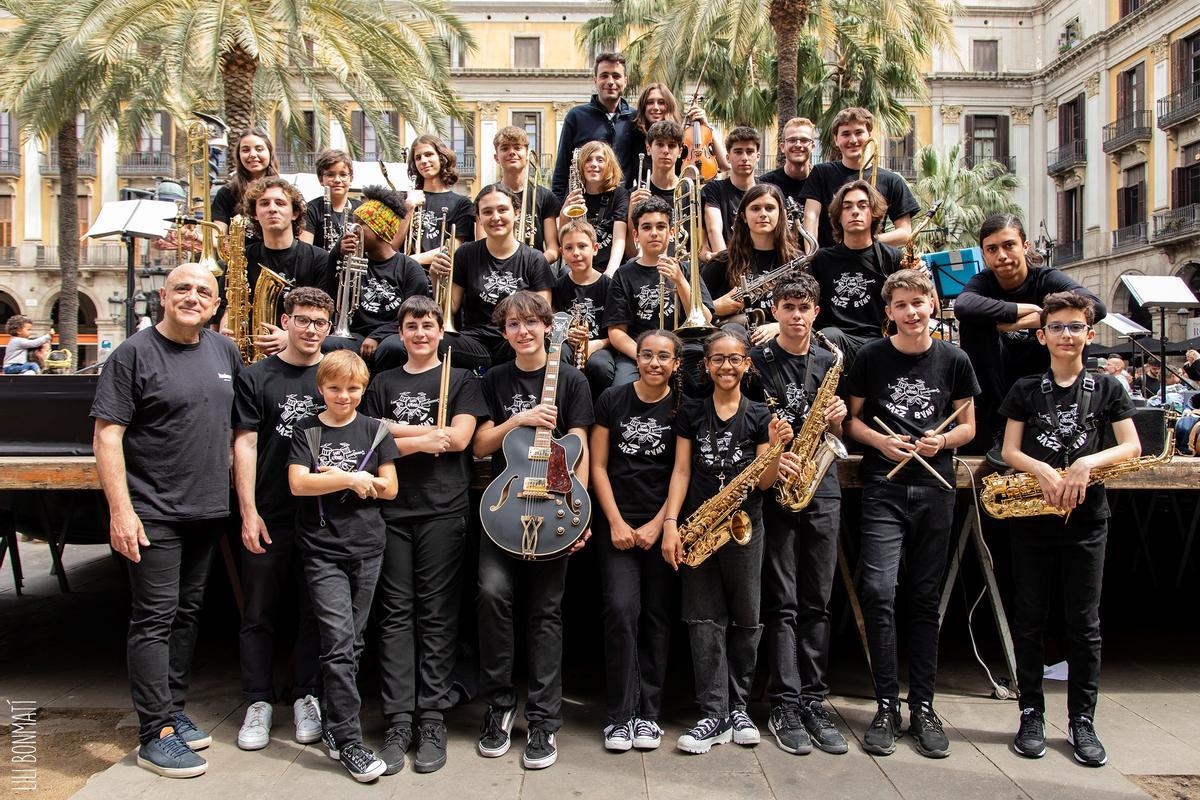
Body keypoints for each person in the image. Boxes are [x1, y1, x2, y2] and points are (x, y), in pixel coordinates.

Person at [91, 264, 243, 779]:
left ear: (216, 304)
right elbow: (107, 436)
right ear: (163, 295)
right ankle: (153, 732)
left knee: (186, 614)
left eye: (203, 291)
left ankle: (172, 709)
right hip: (153, 511)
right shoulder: (133, 354)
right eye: (182, 287)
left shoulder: (224, 350)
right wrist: (121, 510)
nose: (192, 296)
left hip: (205, 509)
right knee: (154, 619)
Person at [998, 292, 1140, 768]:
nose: (1065, 335)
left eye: (1074, 327)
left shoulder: (1108, 388)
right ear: (1041, 336)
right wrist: (1041, 469)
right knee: (1030, 618)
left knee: (1085, 623)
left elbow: (1132, 447)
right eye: (1056, 327)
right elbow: (1010, 450)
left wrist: (1085, 462)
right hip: (1032, 516)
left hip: (1086, 518)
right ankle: (1031, 713)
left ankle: (1083, 719)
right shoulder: (1024, 388)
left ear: (1090, 334)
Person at [843, 268, 979, 760]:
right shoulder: (872, 357)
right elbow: (852, 420)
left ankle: (922, 707)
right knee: (879, 593)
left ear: (931, 306)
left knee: (923, 600)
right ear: (889, 313)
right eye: (901, 305)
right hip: (884, 485)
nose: (912, 312)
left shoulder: (955, 359)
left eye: (919, 302)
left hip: (935, 486)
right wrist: (882, 440)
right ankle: (885, 705)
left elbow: (968, 426)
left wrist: (942, 439)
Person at [363, 296, 488, 776]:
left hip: (443, 510)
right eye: (411, 326)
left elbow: (457, 440)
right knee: (395, 615)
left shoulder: (459, 380)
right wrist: (422, 435)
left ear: (440, 331)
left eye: (427, 325)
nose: (419, 333)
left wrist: (395, 434)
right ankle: (398, 719)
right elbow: (368, 435)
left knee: (437, 615)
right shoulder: (382, 382)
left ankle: (432, 716)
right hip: (391, 510)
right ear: (401, 332)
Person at [472, 291, 594, 770]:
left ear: (549, 327)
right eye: (514, 324)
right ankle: (500, 706)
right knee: (490, 596)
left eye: (532, 323)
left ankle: (543, 721)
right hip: (503, 508)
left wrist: (576, 511)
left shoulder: (573, 380)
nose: (524, 331)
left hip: (554, 510)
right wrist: (519, 419)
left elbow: (580, 444)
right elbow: (480, 444)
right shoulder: (495, 379)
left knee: (546, 613)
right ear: (505, 333)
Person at [661, 329, 792, 754]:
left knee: (747, 617)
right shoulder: (691, 412)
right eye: (718, 359)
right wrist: (670, 524)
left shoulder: (758, 415)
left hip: (744, 527)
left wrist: (773, 449)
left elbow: (766, 482)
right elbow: (681, 471)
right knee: (702, 619)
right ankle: (712, 713)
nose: (726, 367)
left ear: (747, 364)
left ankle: (739, 707)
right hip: (700, 526)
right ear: (706, 365)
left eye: (735, 359)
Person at [747, 276, 850, 756]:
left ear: (816, 310)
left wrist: (838, 417)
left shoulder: (831, 360)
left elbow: (840, 422)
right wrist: (769, 450)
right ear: (774, 309)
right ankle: (785, 703)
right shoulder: (758, 362)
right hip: (778, 488)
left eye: (804, 307)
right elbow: (746, 423)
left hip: (822, 484)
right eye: (787, 306)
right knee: (783, 600)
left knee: (818, 601)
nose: (796, 316)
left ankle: (814, 698)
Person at [287, 350, 399, 783]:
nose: (344, 396)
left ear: (363, 389)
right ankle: (350, 741)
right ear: (321, 389)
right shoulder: (307, 430)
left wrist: (357, 479)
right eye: (334, 388)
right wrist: (351, 478)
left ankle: (335, 728)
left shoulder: (375, 429)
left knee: (353, 644)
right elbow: (298, 482)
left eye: (352, 389)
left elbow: (390, 488)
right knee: (337, 641)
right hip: (322, 551)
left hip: (368, 548)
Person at [231, 287, 333, 753]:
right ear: (286, 321)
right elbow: (245, 444)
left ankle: (305, 694)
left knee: (314, 611)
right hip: (270, 511)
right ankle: (257, 701)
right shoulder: (257, 377)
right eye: (303, 320)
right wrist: (248, 511)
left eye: (320, 322)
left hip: (321, 515)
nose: (311, 329)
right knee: (258, 612)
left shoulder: (335, 374)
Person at [590, 329, 682, 752]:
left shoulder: (683, 406)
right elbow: (599, 466)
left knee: (658, 618)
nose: (654, 363)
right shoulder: (612, 399)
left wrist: (660, 524)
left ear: (676, 364)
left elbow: (684, 473)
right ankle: (619, 715)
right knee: (621, 611)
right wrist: (615, 521)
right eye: (647, 355)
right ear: (637, 359)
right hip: (618, 526)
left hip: (661, 528)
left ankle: (649, 715)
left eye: (664, 357)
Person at [955, 213, 1107, 452]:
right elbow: (963, 306)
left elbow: (1096, 307)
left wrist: (1030, 322)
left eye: (1009, 245)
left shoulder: (1046, 278)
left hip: (1043, 369)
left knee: (1073, 324)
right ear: (984, 254)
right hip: (997, 376)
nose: (1002, 256)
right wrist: (1019, 310)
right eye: (992, 249)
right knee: (973, 324)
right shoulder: (983, 282)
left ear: (1025, 246)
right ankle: (997, 427)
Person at [605, 197, 715, 387]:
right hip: (638, 352)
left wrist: (680, 280)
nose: (654, 233)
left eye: (661, 227)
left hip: (684, 349)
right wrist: (644, 356)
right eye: (646, 227)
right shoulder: (623, 274)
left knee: (701, 385)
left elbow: (705, 319)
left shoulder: (687, 269)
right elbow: (616, 332)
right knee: (622, 388)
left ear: (672, 232)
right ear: (636, 234)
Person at [450, 183, 554, 369]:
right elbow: (451, 306)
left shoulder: (535, 259)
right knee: (434, 340)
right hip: (475, 342)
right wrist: (436, 277)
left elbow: (541, 315)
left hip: (516, 340)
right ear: (479, 218)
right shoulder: (465, 254)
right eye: (487, 212)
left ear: (517, 213)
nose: (495, 217)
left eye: (502, 210)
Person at [326, 185, 431, 365]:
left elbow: (414, 314)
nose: (353, 230)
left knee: (393, 348)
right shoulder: (349, 260)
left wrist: (377, 336)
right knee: (330, 345)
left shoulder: (410, 269)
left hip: (394, 333)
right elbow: (329, 291)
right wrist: (337, 253)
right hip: (355, 332)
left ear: (380, 230)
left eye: (361, 224)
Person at [234, 176, 334, 357]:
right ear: (255, 214)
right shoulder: (242, 257)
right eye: (264, 203)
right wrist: (228, 332)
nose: (272, 209)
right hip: (249, 351)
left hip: (300, 352)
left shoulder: (319, 259)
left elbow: (324, 315)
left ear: (294, 213)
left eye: (280, 203)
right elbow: (229, 305)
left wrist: (290, 337)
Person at [808, 179, 901, 367]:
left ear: (873, 213)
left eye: (862, 205)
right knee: (829, 335)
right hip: (834, 341)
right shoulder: (821, 259)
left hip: (879, 340)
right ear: (838, 216)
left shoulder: (892, 257)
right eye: (847, 207)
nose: (855, 211)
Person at [800, 107, 919, 249]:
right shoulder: (821, 173)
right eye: (845, 134)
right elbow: (811, 218)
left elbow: (905, 233)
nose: (853, 140)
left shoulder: (892, 181)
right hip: (829, 264)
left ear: (869, 135)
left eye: (859, 132)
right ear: (836, 139)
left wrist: (865, 240)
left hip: (873, 263)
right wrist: (811, 256)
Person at [702, 183, 799, 346]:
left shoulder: (796, 261)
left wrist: (780, 326)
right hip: (736, 341)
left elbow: (810, 309)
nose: (763, 214)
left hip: (782, 338)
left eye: (769, 208)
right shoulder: (724, 260)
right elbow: (694, 309)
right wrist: (716, 307)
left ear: (780, 214)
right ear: (743, 217)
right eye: (755, 209)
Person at [551, 52, 637, 199]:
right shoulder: (576, 116)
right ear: (595, 80)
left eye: (616, 76)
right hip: (582, 205)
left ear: (626, 81)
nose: (610, 81)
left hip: (621, 208)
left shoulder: (635, 118)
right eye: (604, 76)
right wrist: (557, 210)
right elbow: (562, 168)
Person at [481, 125, 561, 263]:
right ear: (496, 157)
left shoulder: (545, 196)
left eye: (518, 147)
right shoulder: (487, 196)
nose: (512, 152)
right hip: (496, 268)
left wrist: (532, 266)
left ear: (527, 154)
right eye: (505, 148)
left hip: (534, 268)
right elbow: (481, 243)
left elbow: (553, 250)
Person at [553, 219, 614, 394]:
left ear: (595, 249)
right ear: (562, 252)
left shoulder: (609, 286)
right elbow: (554, 322)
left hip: (599, 345)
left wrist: (597, 344)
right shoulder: (558, 286)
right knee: (557, 356)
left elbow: (617, 332)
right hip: (567, 344)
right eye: (569, 248)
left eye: (582, 246)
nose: (576, 253)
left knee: (600, 366)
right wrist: (566, 334)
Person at [398, 134, 475, 267]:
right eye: (418, 157)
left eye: (429, 154)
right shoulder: (404, 199)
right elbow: (392, 245)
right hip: (403, 278)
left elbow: (454, 247)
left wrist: (410, 261)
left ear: (442, 158)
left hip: (438, 278)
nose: (423, 160)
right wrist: (409, 207)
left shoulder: (461, 204)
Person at [628, 83, 730, 177]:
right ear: (643, 107)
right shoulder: (634, 136)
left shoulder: (683, 138)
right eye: (650, 102)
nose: (655, 107)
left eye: (661, 102)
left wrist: (706, 126)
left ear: (669, 106)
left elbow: (725, 165)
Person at [557, 141, 629, 275]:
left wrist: (610, 272)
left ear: (609, 165)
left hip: (610, 266)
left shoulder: (619, 195)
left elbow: (619, 238)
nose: (593, 164)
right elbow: (563, 238)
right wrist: (563, 214)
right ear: (581, 166)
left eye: (600, 160)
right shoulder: (576, 194)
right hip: (581, 267)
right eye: (588, 160)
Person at [625, 120, 686, 260]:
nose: (665, 150)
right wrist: (631, 216)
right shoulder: (634, 194)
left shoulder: (692, 192)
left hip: (683, 267)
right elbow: (631, 253)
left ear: (680, 151)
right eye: (659, 144)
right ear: (648, 148)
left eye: (671, 146)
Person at [702, 126, 760, 257]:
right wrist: (726, 265)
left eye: (750, 151)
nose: (744, 157)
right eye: (738, 152)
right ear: (728, 157)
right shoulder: (714, 189)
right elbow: (714, 230)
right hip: (726, 265)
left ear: (758, 156)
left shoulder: (767, 191)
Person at [213, 126, 280, 231]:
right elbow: (217, 237)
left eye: (259, 149)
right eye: (246, 150)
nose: (252, 154)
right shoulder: (226, 193)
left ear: (270, 153)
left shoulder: (283, 191)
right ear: (239, 156)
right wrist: (195, 236)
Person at [758, 117, 817, 232]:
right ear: (782, 147)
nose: (798, 145)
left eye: (804, 140)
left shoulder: (821, 182)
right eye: (792, 140)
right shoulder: (765, 183)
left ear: (813, 147)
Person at [300, 149, 360, 252]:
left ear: (351, 179)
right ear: (320, 179)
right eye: (330, 175)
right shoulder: (310, 209)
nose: (337, 180)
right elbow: (305, 251)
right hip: (322, 267)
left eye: (343, 174)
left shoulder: (361, 209)